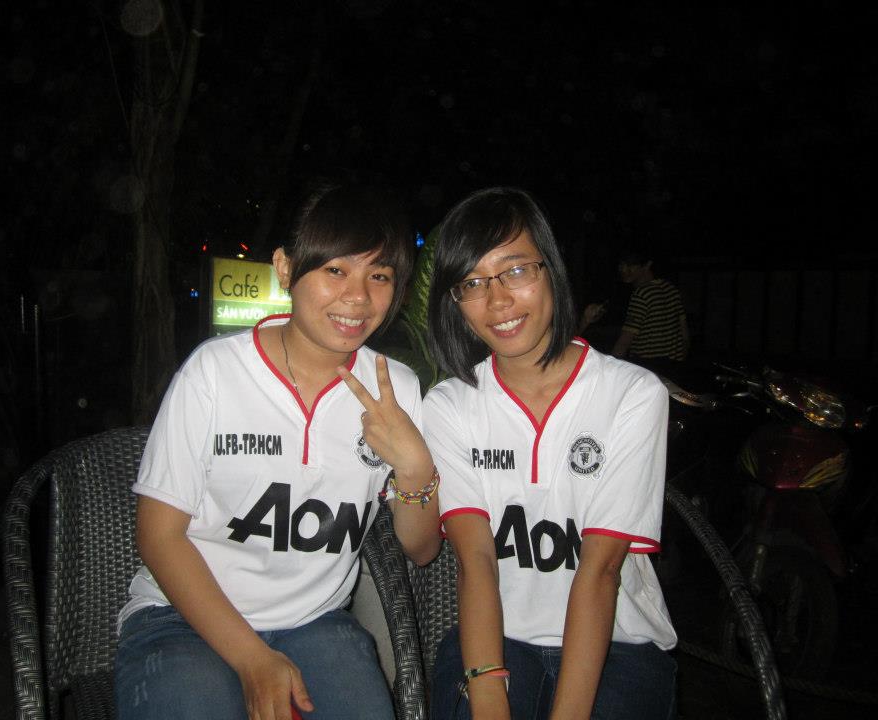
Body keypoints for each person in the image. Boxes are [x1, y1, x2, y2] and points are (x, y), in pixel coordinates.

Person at [114, 182, 442, 720]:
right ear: (285, 269)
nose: (358, 297)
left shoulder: (396, 388)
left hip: (314, 622)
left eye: (379, 276)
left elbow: (422, 549)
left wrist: (415, 466)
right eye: (335, 270)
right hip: (181, 617)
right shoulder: (215, 372)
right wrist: (252, 658)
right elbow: (158, 534)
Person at [423, 187, 677, 720]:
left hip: (618, 642)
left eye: (515, 270)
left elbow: (601, 570)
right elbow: (475, 559)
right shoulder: (450, 405)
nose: (497, 301)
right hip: (497, 636)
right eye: (472, 283)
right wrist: (488, 694)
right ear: (455, 301)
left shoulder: (632, 393)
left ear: (551, 271)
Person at [579, 248, 689, 376]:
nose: (624, 270)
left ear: (647, 265)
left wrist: (610, 371)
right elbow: (684, 333)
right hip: (673, 365)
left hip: (648, 366)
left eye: (630, 265)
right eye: (621, 265)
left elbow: (625, 341)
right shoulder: (671, 289)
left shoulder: (641, 294)